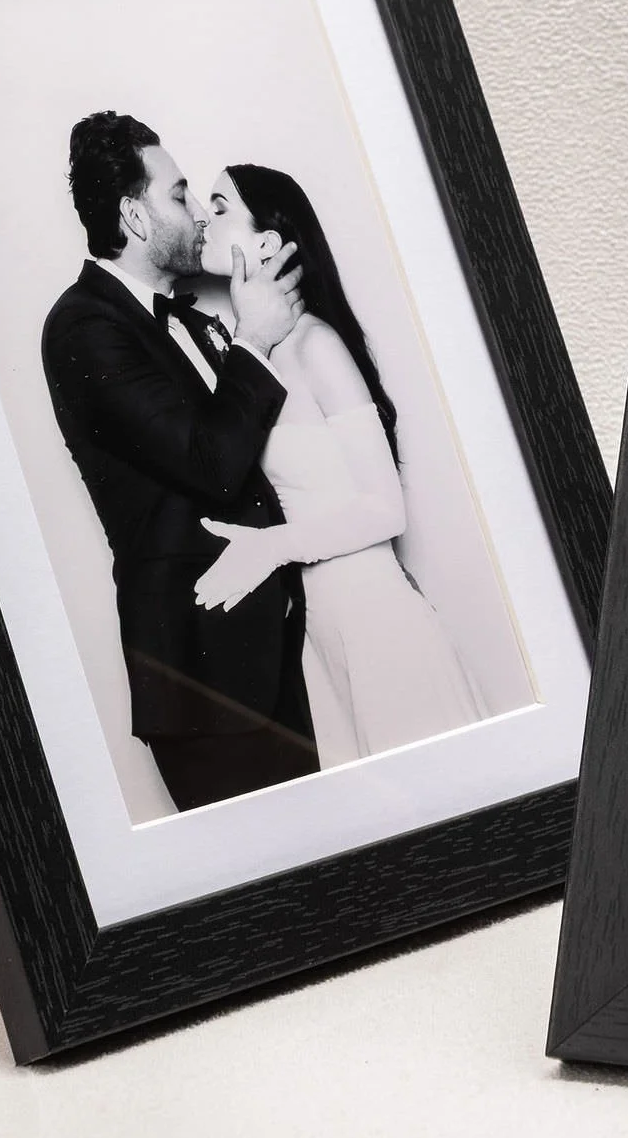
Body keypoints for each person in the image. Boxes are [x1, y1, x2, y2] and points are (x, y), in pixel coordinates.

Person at [40, 112, 318, 814]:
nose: (198, 214)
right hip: (203, 675)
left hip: (272, 645)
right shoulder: (82, 328)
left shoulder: (189, 318)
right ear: (134, 214)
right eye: (180, 195)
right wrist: (254, 340)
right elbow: (213, 464)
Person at [187, 164, 486, 764]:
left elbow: (385, 509)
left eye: (219, 207)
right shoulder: (253, 356)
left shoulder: (316, 344)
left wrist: (271, 546)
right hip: (321, 633)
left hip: (378, 626)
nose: (201, 216)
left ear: (266, 243)